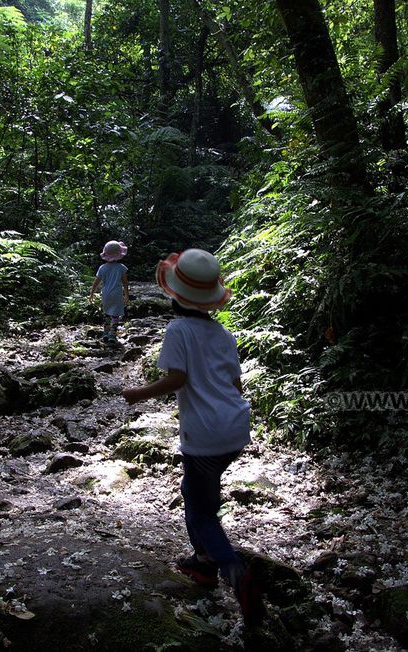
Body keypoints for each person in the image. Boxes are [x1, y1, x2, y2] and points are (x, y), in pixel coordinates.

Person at [121, 248, 263, 627]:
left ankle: (234, 571)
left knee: (201, 511)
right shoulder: (223, 333)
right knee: (196, 491)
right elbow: (234, 382)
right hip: (234, 426)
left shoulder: (177, 330)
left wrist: (137, 394)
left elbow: (177, 379)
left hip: (205, 432)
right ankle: (202, 564)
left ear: (173, 293)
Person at [88, 240, 130, 342]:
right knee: (115, 315)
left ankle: (105, 333)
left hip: (105, 294)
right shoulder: (121, 268)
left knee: (106, 313)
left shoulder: (102, 268)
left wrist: (91, 293)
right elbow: (125, 283)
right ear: (119, 254)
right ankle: (112, 335)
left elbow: (96, 282)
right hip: (116, 294)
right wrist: (127, 295)